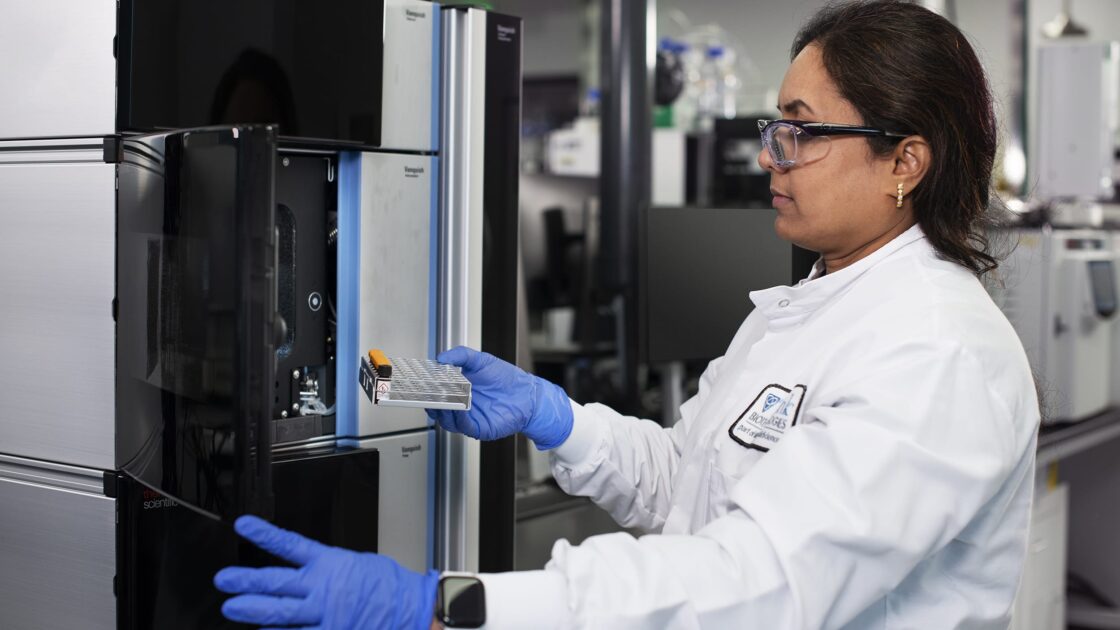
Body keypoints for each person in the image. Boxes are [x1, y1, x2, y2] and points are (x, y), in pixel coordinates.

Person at [213, 1, 1041, 628]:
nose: (767, 157)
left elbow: (759, 581)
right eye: (772, 127)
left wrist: (448, 603)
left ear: (905, 161)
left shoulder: (936, 352)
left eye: (800, 132)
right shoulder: (811, 305)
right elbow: (688, 484)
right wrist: (555, 418)